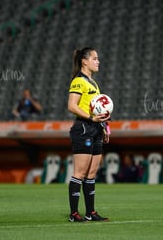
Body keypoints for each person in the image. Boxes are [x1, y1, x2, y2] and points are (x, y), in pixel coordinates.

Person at [67, 47, 111, 222]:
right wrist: (92, 118)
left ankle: (90, 212)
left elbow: (98, 109)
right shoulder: (79, 81)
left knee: (92, 173)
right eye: (95, 58)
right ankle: (74, 214)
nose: (98, 61)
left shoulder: (94, 83)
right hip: (83, 128)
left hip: (96, 128)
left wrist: (105, 127)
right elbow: (72, 106)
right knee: (80, 172)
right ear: (84, 61)